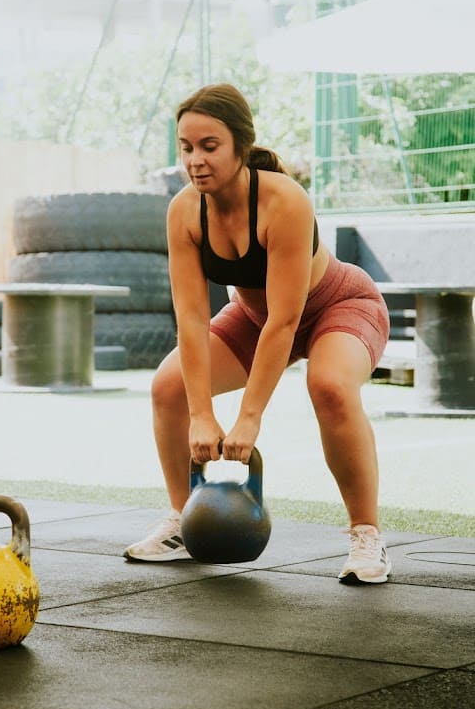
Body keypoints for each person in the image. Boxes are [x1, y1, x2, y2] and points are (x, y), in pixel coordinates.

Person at [124, 83, 392, 585]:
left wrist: (248, 418)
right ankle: (186, 520)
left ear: (240, 147)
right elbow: (190, 316)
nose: (196, 160)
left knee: (330, 387)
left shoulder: (284, 201)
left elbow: (286, 322)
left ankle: (366, 534)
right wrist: (202, 414)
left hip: (336, 304)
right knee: (168, 386)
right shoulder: (184, 211)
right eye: (186, 148)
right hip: (252, 316)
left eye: (210, 146)